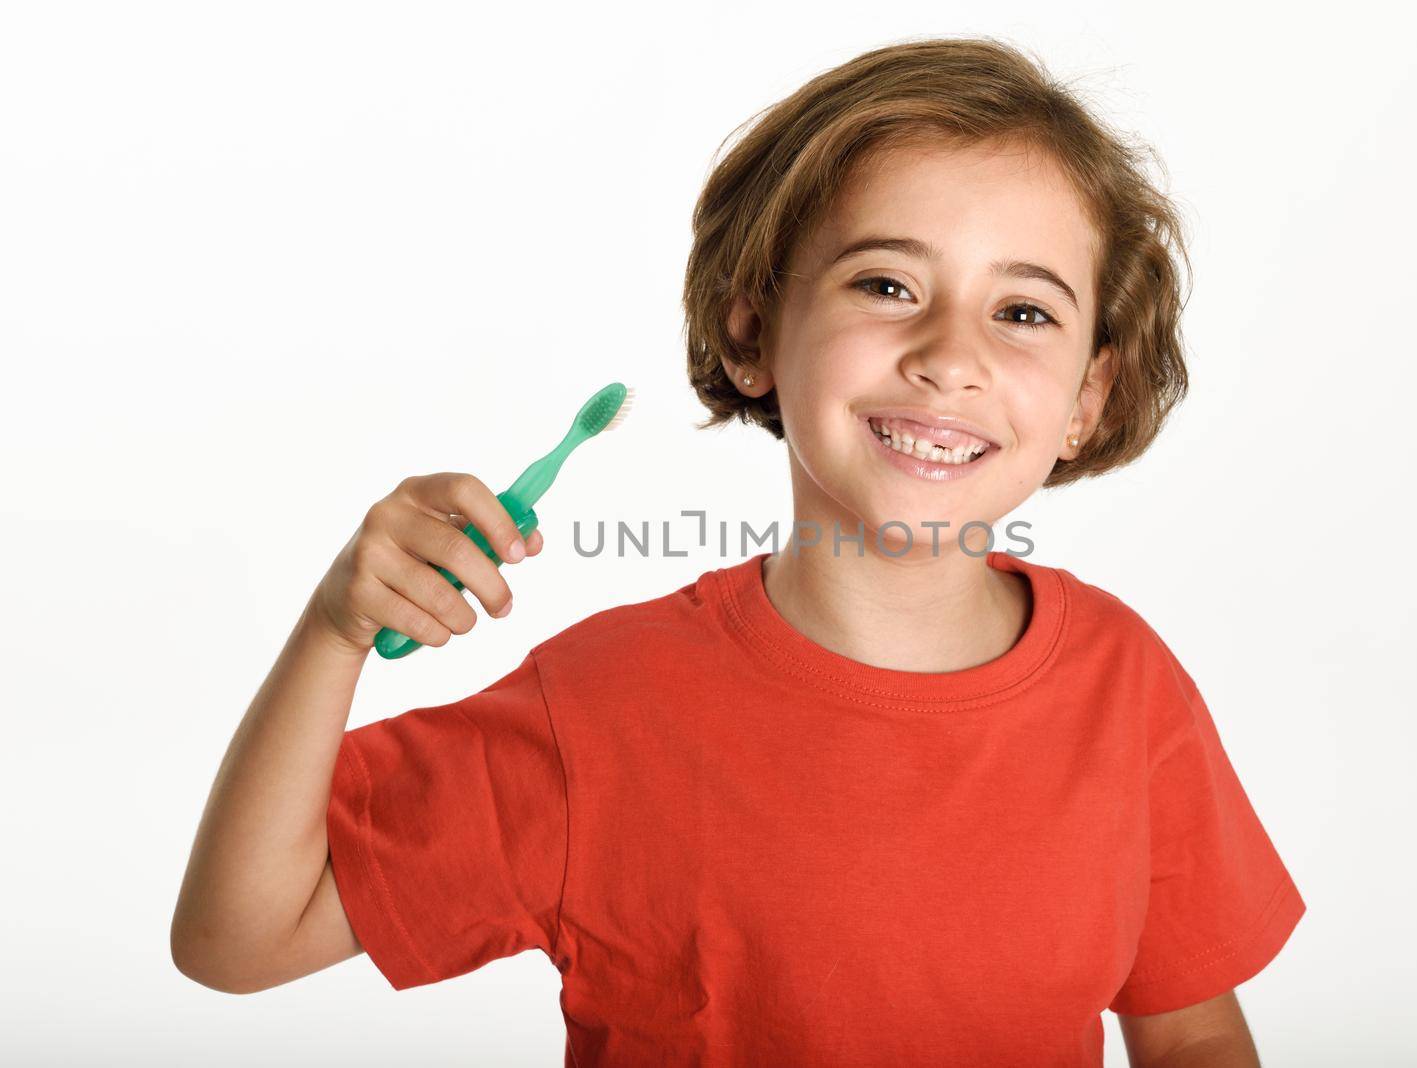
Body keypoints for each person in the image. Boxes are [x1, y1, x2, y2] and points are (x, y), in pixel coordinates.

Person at [172, 35, 1305, 1067]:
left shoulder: (1125, 686)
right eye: (885, 284)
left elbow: (1194, 1034)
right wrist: (334, 633)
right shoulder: (603, 710)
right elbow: (238, 938)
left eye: (1022, 312)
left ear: (1088, 396)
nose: (949, 356)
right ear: (752, 329)